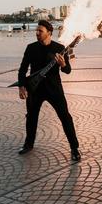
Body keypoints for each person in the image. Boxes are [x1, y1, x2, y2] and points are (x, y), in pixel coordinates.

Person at [17, 20, 81, 161]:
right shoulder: (31, 48)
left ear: (49, 33)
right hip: (34, 89)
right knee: (31, 117)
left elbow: (68, 70)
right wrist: (22, 87)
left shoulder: (60, 48)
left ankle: (74, 148)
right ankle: (29, 144)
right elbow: (22, 69)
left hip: (54, 89)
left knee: (65, 117)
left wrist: (63, 64)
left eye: (40, 31)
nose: (37, 33)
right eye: (37, 31)